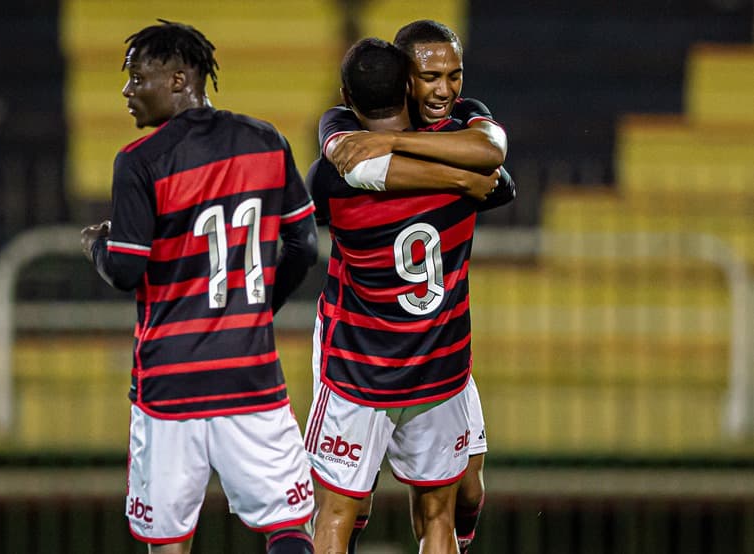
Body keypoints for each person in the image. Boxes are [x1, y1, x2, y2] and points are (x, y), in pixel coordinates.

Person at [79, 20, 318, 554]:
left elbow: (125, 270)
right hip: (248, 376)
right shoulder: (266, 140)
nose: (126, 92)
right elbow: (304, 247)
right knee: (286, 527)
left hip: (169, 383)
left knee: (168, 541)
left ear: (180, 79)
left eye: (138, 79)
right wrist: (258, 309)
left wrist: (96, 245)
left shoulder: (140, 162)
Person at [304, 37, 514, 554]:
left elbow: (337, 174)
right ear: (407, 85)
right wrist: (457, 181)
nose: (444, 89)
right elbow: (499, 179)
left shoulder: (331, 179)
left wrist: (386, 145)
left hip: (357, 367)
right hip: (435, 367)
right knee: (439, 515)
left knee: (335, 511)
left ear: (346, 98)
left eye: (452, 75)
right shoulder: (470, 164)